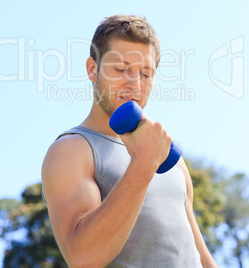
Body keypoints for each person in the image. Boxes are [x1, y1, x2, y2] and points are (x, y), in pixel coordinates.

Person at [41, 14, 218, 268]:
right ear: (93, 69)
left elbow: (198, 255)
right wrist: (144, 162)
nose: (134, 84)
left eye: (145, 74)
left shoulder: (170, 159)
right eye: (121, 69)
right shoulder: (72, 150)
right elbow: (84, 258)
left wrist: (150, 156)